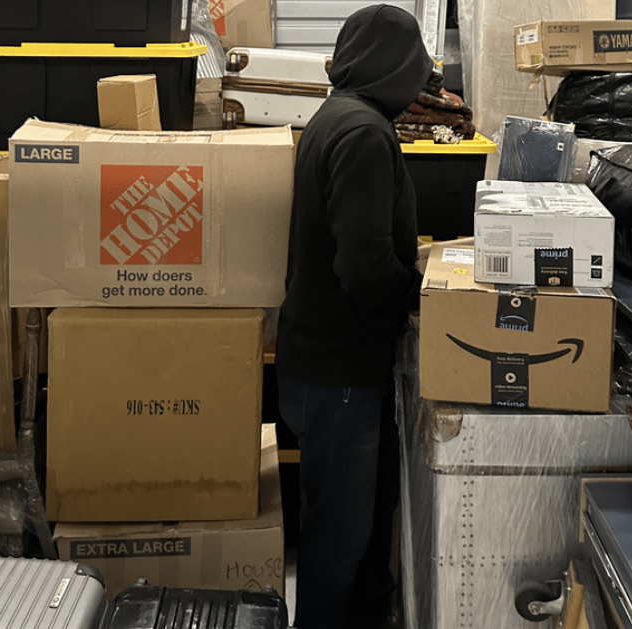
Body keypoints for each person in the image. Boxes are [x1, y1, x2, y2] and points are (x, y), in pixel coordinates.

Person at [274, 5, 435, 629]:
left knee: (355, 527)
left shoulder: (335, 116)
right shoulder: (364, 133)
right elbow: (363, 268)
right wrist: (428, 296)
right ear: (395, 67)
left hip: (322, 364)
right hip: (338, 374)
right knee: (339, 539)